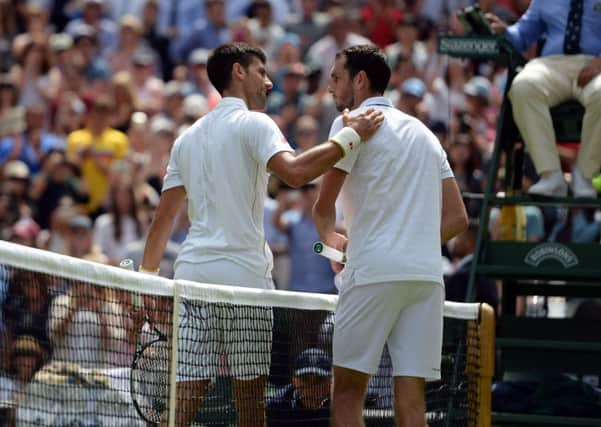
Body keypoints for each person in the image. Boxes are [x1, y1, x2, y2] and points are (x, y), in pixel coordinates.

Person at [139, 43, 383, 427]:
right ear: (239, 72)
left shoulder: (185, 139)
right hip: (245, 283)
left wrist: (148, 283)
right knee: (251, 401)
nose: (269, 82)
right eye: (261, 72)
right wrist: (350, 138)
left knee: (183, 401)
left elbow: (162, 219)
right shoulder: (256, 123)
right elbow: (297, 173)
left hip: (192, 280)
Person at [313, 45, 468, 426]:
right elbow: (457, 219)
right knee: (412, 402)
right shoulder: (426, 134)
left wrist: (332, 241)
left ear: (360, 80)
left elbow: (322, 208)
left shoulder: (349, 124)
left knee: (347, 394)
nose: (330, 87)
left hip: (374, 273)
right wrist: (409, 242)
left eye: (336, 78)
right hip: (426, 278)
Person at [486, 1, 601, 198]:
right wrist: (503, 31)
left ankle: (585, 175)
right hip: (551, 65)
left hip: (594, 63)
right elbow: (521, 36)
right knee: (523, 86)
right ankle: (551, 176)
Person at [266, 348, 332, 427]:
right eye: (305, 379)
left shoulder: (339, 406)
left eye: (319, 380)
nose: (312, 388)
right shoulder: (277, 407)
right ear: (294, 381)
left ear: (330, 383)